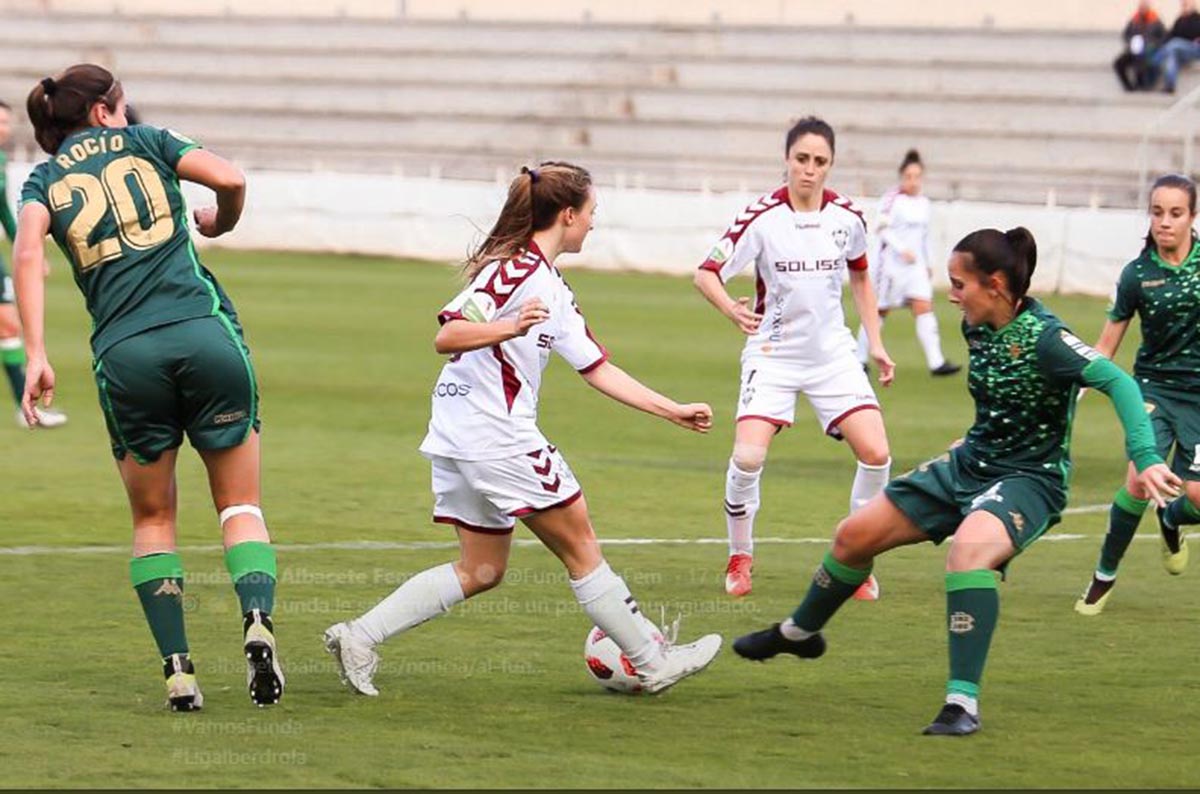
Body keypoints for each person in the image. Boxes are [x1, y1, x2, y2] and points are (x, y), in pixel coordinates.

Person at [732, 226, 1180, 736]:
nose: (950, 294)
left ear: (993, 284)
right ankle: (799, 632)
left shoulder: (1048, 339)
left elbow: (1117, 381)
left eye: (958, 283)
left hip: (1029, 480)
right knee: (853, 535)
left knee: (967, 553)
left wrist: (1144, 456)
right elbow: (997, 409)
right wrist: (961, 447)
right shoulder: (977, 326)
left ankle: (961, 704)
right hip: (970, 464)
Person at [323, 162, 722, 697]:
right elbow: (449, 335)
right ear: (567, 214)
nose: (593, 225)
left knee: (482, 568)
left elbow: (596, 367)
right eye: (591, 214)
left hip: (463, 432)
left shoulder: (551, 284)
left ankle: (358, 636)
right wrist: (510, 325)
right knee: (581, 545)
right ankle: (652, 661)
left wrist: (669, 408)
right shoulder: (514, 271)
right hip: (495, 435)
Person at [14, 64, 283, 711]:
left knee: (154, 518)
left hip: (127, 355)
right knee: (240, 504)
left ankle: (180, 671)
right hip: (205, 335)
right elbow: (232, 179)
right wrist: (219, 222)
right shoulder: (148, 140)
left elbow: (26, 254)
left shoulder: (44, 179)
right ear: (106, 111)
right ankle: (256, 620)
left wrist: (39, 353)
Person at [694, 116, 894, 599]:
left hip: (832, 355)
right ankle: (740, 556)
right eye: (801, 159)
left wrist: (877, 342)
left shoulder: (848, 217)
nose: (809, 170)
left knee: (877, 453)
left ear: (831, 165)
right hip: (774, 352)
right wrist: (731, 311)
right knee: (747, 456)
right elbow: (706, 273)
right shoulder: (760, 217)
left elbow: (863, 278)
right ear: (787, 159)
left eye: (820, 161)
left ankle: (855, 556)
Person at [1076, 174, 1200, 615]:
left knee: (1196, 499)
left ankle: (1171, 518)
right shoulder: (1136, 274)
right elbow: (1106, 346)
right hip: (1154, 390)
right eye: (1157, 212)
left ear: (1192, 216)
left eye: (1176, 213)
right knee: (1138, 477)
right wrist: (1075, 388)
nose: (1165, 222)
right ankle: (1104, 575)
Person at [856, 149, 960, 377]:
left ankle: (937, 363)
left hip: (915, 268)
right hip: (891, 267)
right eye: (908, 176)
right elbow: (881, 228)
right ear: (902, 177)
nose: (913, 181)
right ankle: (859, 359)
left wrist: (928, 262)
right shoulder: (892, 200)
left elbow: (925, 236)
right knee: (879, 311)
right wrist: (901, 250)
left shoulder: (924, 203)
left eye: (917, 177)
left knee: (924, 307)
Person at [0, 99, 67, 428]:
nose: (4, 129)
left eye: (6, 122)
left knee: (9, 327)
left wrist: (28, 252)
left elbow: (4, 213)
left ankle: (25, 409)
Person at [1114, 2, 1167, 91]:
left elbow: (1164, 36)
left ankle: (1142, 84)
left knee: (1142, 60)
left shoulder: (1156, 21)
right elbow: (1126, 34)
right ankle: (1128, 86)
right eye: (1140, 7)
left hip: (1148, 50)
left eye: (1144, 7)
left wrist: (1154, 44)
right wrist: (1130, 42)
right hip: (1133, 50)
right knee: (1118, 63)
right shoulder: (1134, 20)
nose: (1142, 9)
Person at [1151, 0, 1200, 92]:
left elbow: (1192, 34)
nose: (1184, 6)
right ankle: (1170, 86)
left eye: (1186, 4)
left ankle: (1155, 59)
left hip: (1195, 49)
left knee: (1175, 43)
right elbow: (1170, 35)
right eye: (1183, 4)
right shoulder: (1180, 20)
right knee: (1172, 55)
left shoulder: (1197, 18)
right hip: (1180, 51)